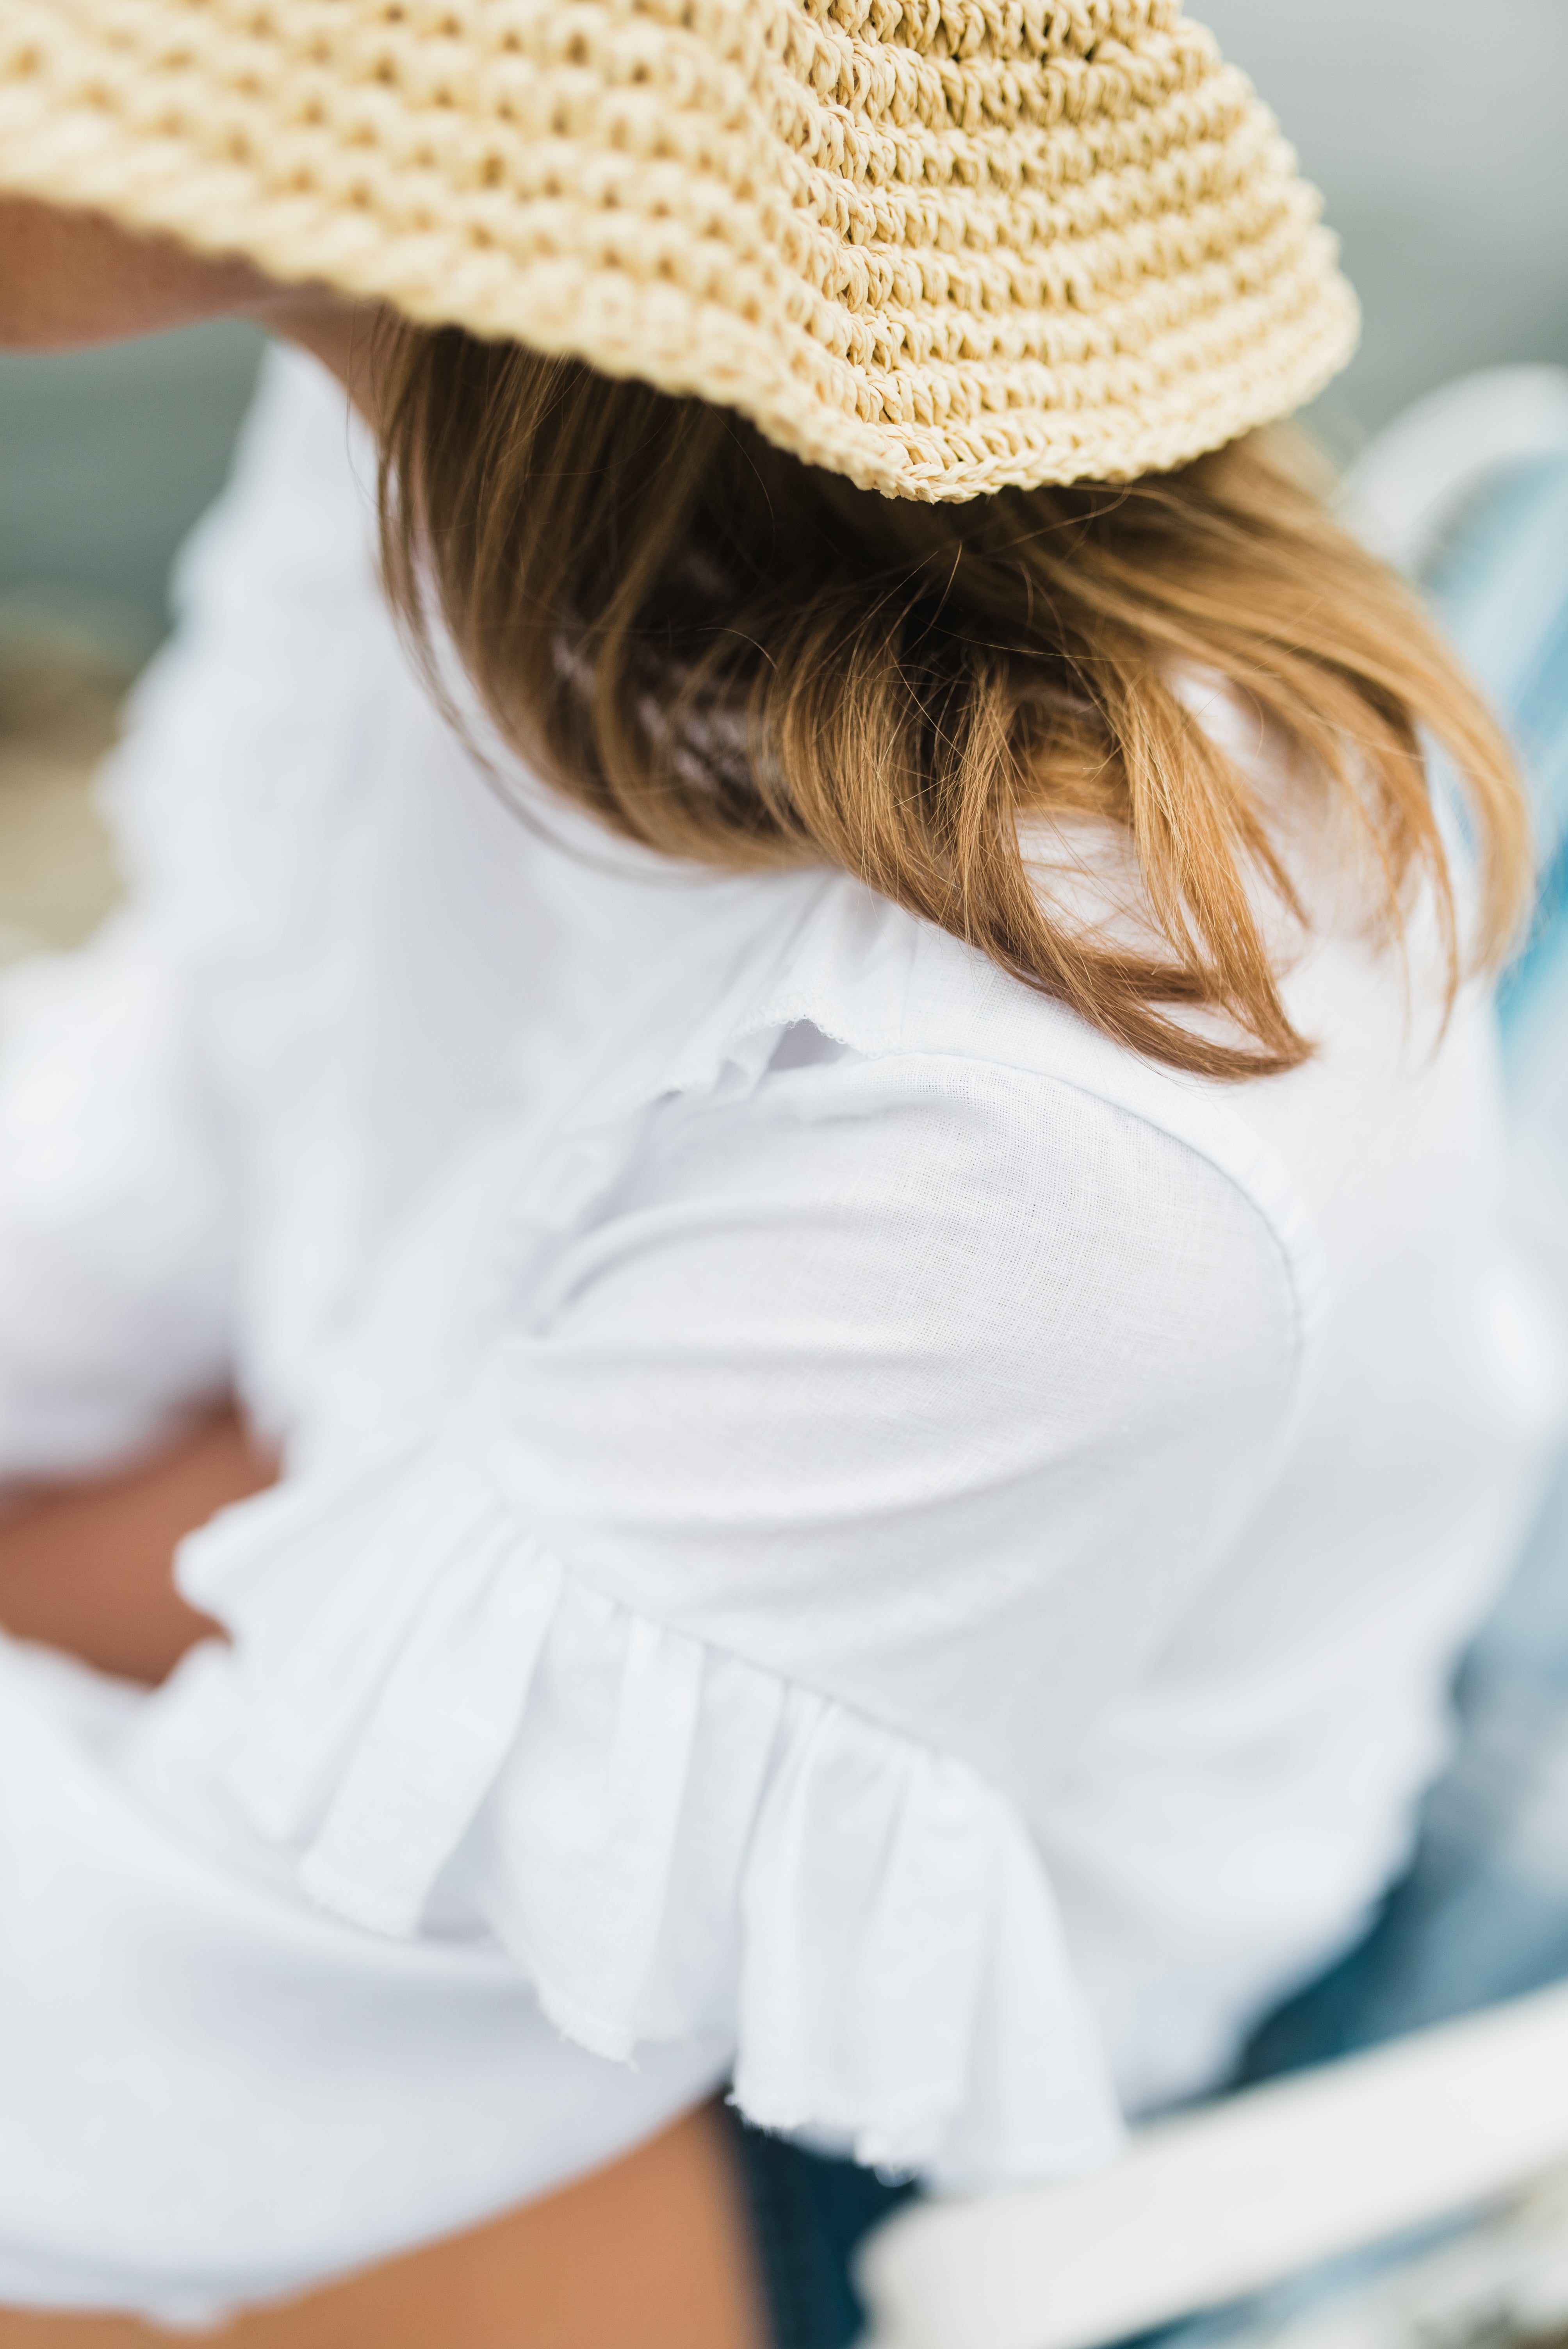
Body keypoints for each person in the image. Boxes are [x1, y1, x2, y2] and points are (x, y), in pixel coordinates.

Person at [0, 5, 1559, 2343]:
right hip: (473, 1605)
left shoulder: (1029, 1134)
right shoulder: (431, 424)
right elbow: (239, 1064)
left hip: (814, 2034)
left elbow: (241, 2061)